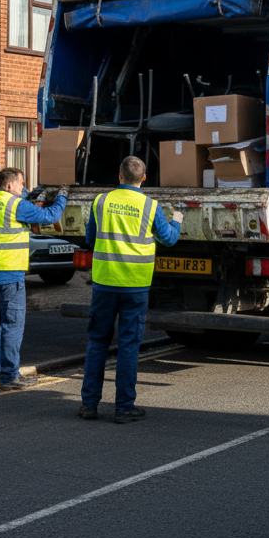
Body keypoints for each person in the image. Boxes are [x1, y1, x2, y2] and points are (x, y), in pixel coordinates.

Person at [79, 156, 182, 423]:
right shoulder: (150, 206)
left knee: (97, 343)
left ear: (120, 176)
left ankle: (89, 405)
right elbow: (168, 239)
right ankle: (124, 408)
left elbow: (90, 239)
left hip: (105, 283)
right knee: (128, 346)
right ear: (144, 178)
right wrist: (178, 220)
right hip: (135, 286)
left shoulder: (101, 202)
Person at [0, 168, 66, 389]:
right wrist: (62, 195)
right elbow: (52, 216)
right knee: (12, 324)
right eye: (20, 184)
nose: (23, 188)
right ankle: (9, 377)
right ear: (9, 185)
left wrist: (29, 215)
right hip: (9, 272)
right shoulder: (16, 205)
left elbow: (7, 225)